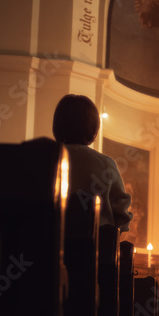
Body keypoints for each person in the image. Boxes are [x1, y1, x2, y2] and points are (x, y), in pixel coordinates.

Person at [52, 94, 133, 231]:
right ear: (94, 128)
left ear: (57, 123)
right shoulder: (106, 164)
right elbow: (121, 216)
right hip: (94, 250)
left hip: (41, 248)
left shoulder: (38, 160)